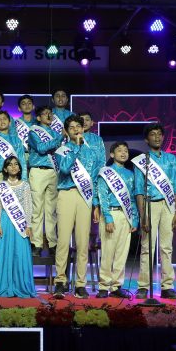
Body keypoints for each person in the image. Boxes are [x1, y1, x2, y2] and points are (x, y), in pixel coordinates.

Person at [51, 115, 103, 299]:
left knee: (82, 242)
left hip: (85, 197)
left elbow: (94, 179)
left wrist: (96, 204)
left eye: (78, 126)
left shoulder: (92, 152)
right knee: (63, 240)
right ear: (66, 131)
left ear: (83, 128)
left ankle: (81, 284)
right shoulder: (62, 149)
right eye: (71, 127)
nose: (75, 130)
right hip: (66, 194)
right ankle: (60, 281)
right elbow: (65, 169)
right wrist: (76, 148)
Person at [134, 122, 176, 299]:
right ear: (147, 140)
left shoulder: (171, 159)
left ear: (163, 137)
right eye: (152, 134)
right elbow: (138, 190)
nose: (156, 137)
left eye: (159, 134)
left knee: (166, 247)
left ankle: (167, 286)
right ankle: (143, 286)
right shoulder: (142, 161)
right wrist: (143, 215)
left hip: (168, 205)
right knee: (147, 247)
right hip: (150, 205)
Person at [0, 157, 37, 298]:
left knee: (19, 253)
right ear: (5, 169)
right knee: (3, 253)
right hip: (4, 222)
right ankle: (1, 284)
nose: (13, 167)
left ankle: (20, 285)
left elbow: (28, 206)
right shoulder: (1, 186)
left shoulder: (25, 185)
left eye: (16, 164)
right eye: (10, 165)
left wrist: (28, 225)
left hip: (20, 223)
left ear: (20, 168)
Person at [95, 142, 139, 298]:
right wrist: (107, 217)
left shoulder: (130, 174)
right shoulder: (105, 172)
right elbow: (102, 196)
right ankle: (103, 286)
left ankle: (116, 286)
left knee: (122, 253)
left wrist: (135, 219)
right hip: (111, 215)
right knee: (108, 252)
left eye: (125, 151)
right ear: (112, 154)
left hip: (126, 216)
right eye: (119, 150)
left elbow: (132, 199)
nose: (123, 153)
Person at [0, 110, 28, 250]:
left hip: (14, 178)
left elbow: (21, 161)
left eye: (5, 119)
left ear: (10, 122)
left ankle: (10, 241)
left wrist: (24, 181)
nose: (2, 121)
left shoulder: (16, 140)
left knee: (14, 207)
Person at [28, 106, 60, 255]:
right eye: (45, 113)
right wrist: (59, 138)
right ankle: (37, 243)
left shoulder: (56, 133)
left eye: (50, 113)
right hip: (38, 171)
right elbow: (41, 148)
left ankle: (52, 243)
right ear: (39, 118)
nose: (48, 115)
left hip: (53, 171)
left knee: (51, 210)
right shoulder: (34, 131)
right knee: (37, 209)